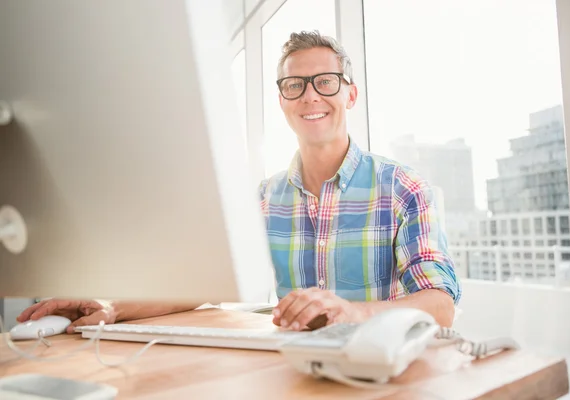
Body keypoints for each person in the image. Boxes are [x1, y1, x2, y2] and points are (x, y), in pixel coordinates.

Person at [17, 31, 461, 333]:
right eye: (295, 84)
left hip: (377, 373)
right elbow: (203, 286)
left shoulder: (402, 187)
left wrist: (352, 312)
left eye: (325, 82)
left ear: (350, 93)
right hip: (290, 370)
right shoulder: (265, 197)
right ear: (282, 99)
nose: (310, 95)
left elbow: (440, 305)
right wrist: (109, 306)